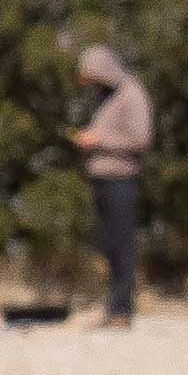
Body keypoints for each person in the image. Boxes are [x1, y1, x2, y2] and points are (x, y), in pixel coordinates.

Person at [67, 38, 150, 329]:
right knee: (109, 246)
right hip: (101, 178)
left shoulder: (132, 94)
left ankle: (122, 311)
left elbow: (141, 139)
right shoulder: (105, 98)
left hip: (121, 179)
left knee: (122, 245)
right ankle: (111, 307)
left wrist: (99, 141)